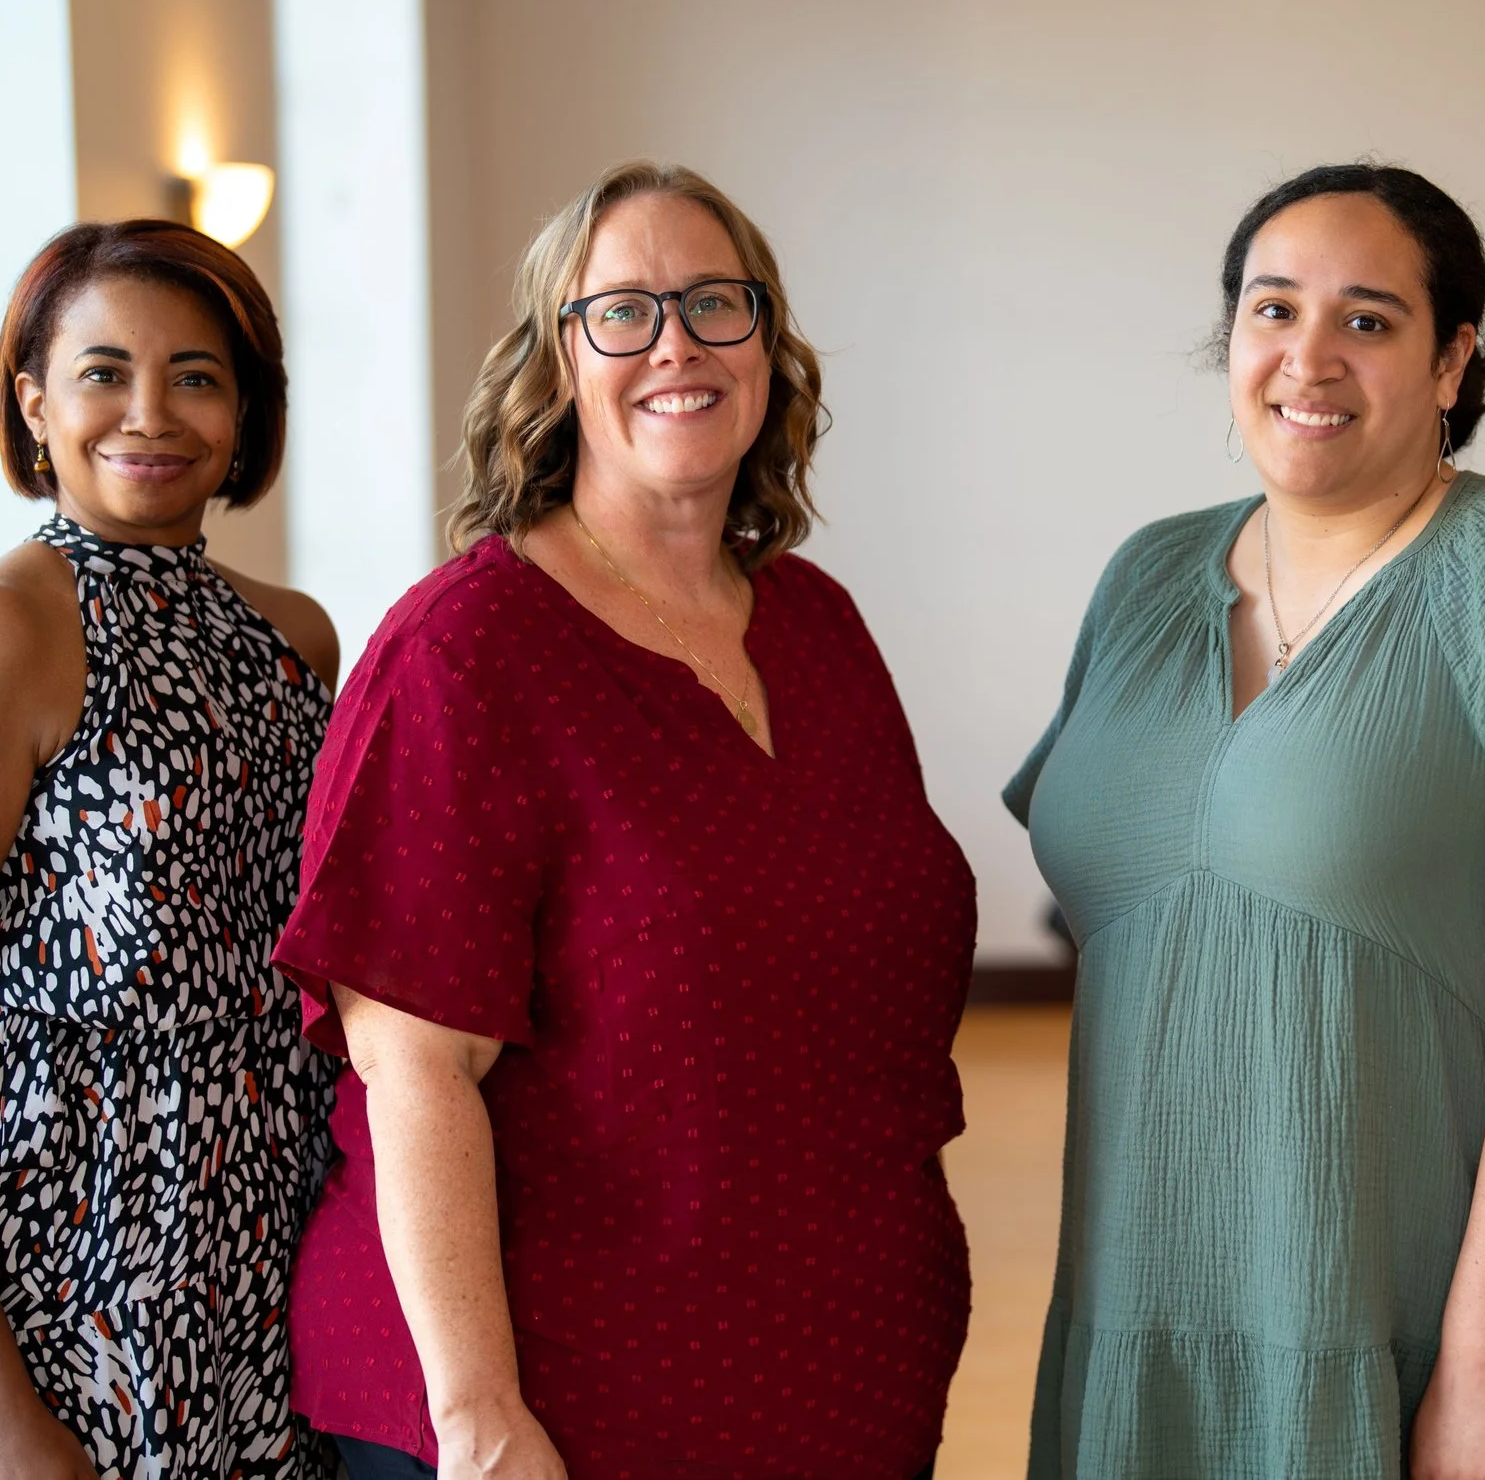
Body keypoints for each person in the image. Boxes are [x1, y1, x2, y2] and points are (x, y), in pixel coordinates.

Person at [1004, 163, 1485, 1479]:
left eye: (1369, 318)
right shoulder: (1147, 573)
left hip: (1407, 1317)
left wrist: (1479, 1362)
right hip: (1140, 1307)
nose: (1308, 355)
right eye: (1272, 309)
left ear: (1452, 360)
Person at [271, 161, 974, 1480]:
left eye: (718, 302)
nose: (677, 343)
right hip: (559, 1407)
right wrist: (480, 1413)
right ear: (555, 359)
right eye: (624, 310)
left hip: (841, 1375)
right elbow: (415, 1069)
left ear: (769, 345)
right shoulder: (465, 653)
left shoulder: (818, 626)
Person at [0, 220, 342, 1477]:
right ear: (36, 401)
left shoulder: (296, 641)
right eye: (104, 370)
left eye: (198, 375)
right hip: (58, 1297)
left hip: (256, 1269)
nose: (150, 412)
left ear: (245, 415)